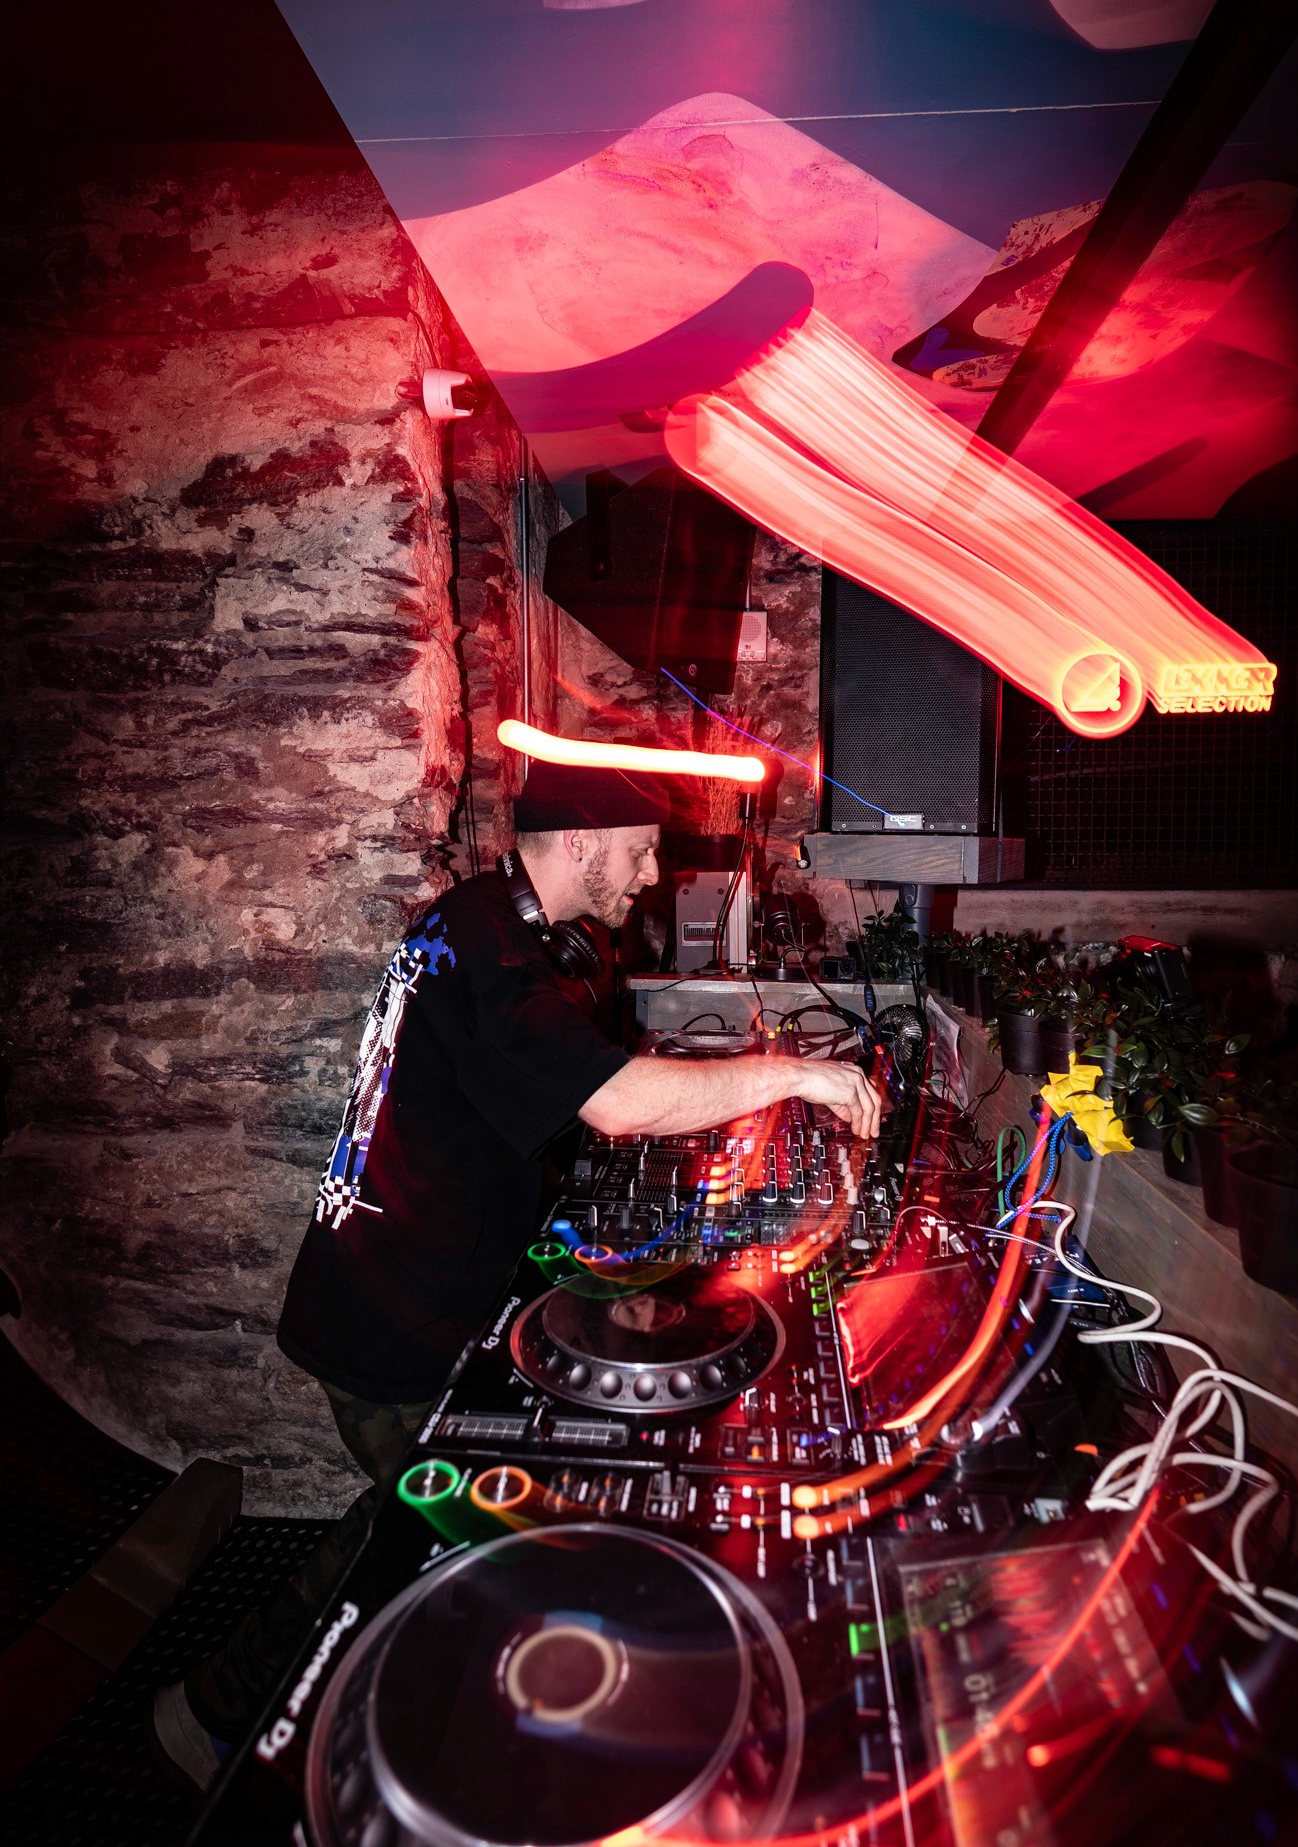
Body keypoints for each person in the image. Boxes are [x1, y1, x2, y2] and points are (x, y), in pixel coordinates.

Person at [150, 752, 879, 1789]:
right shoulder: (492, 953)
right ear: (580, 842)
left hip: (398, 1284)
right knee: (442, 1529)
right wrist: (796, 1075)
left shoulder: (489, 923)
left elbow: (549, 1083)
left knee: (439, 1525)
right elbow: (615, 1103)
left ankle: (342, 1718)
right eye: (641, 850)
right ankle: (231, 1716)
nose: (653, 873)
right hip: (392, 1313)